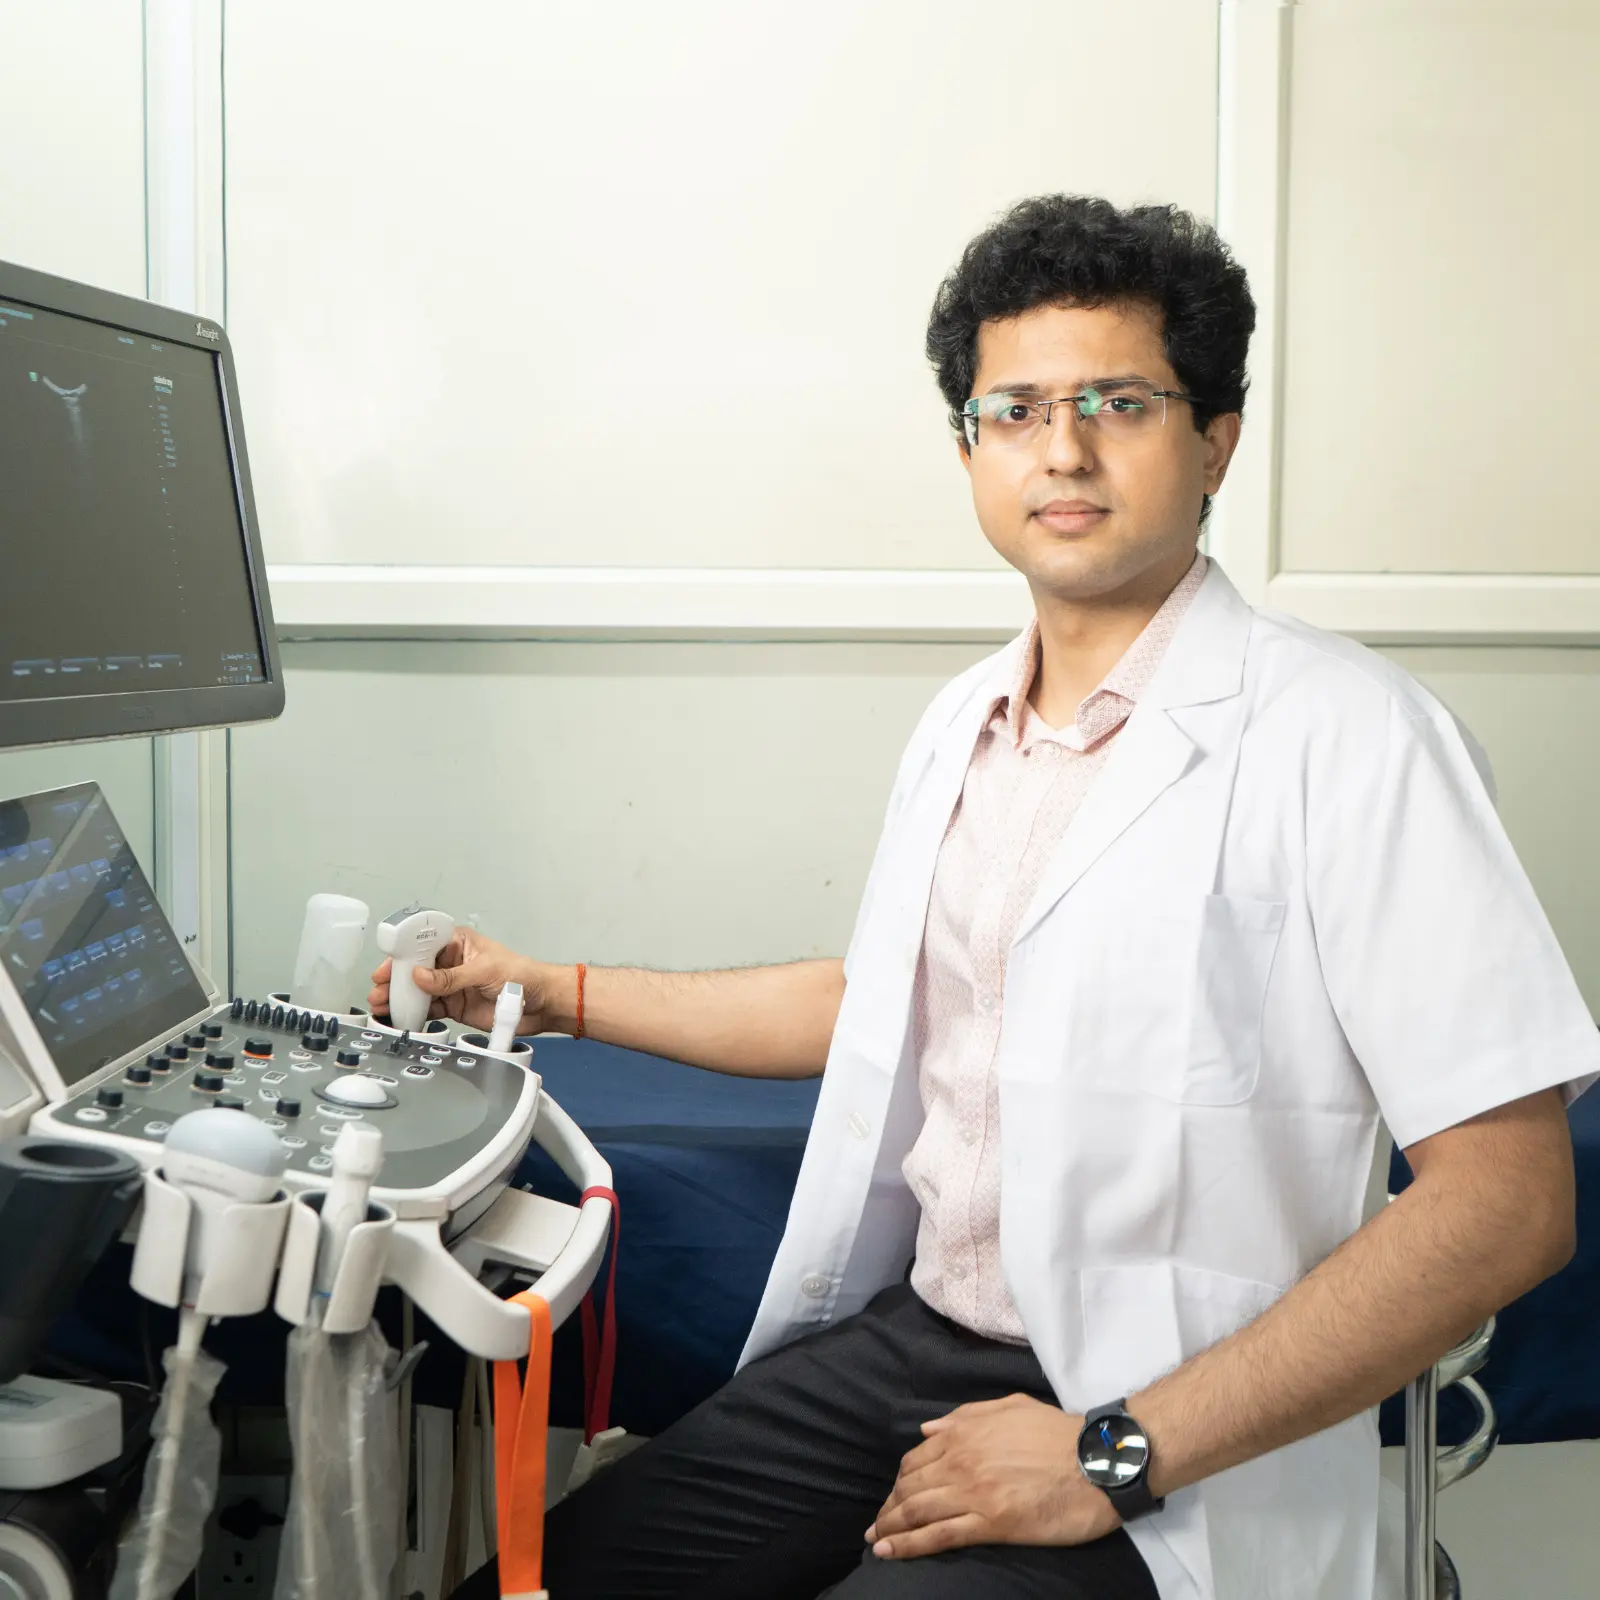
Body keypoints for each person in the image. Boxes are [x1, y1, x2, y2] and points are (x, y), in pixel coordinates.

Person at [373, 196, 1598, 1600]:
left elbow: (1510, 1202)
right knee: (538, 1586)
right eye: (1014, 409)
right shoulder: (968, 722)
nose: (1061, 450)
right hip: (918, 1349)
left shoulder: (1357, 738)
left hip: (1170, 1416)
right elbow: (879, 999)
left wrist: (1113, 1453)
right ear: (969, 445)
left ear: (1215, 442)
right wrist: (542, 989)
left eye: (1118, 402)